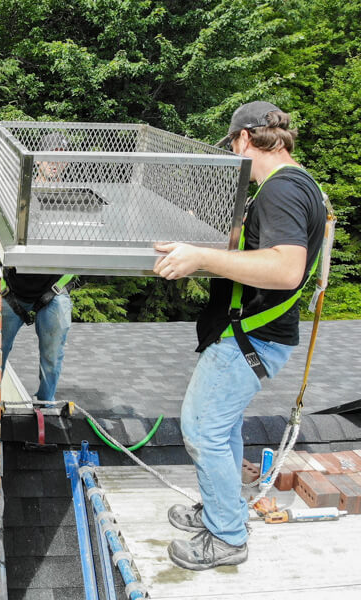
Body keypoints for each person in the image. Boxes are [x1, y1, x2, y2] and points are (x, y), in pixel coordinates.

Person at [152, 101, 326, 570]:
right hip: (254, 335)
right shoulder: (296, 184)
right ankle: (220, 510)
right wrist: (199, 242)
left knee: (202, 429)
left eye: (233, 145)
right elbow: (259, 251)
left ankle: (227, 537)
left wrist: (201, 259)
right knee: (222, 427)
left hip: (251, 338)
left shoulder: (280, 190)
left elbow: (285, 268)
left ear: (245, 139)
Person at [1, 132, 74, 407]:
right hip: (14, 289)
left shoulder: (74, 197)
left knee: (53, 358)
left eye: (61, 156)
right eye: (49, 155)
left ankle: (45, 405)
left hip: (52, 290)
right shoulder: (18, 194)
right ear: (38, 160)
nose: (54, 161)